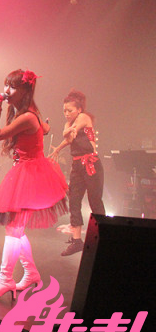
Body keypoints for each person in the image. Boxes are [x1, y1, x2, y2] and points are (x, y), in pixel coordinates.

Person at [0, 69, 68, 299]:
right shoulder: (29, 114)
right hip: (27, 173)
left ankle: (5, 279)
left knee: (14, 229)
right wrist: (46, 128)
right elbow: (43, 128)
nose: (6, 91)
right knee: (16, 229)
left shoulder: (27, 116)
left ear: (25, 90)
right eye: (6, 85)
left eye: (12, 87)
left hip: (30, 176)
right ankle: (30, 274)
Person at [49, 90, 105, 256]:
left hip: (90, 164)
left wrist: (68, 131)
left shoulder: (83, 117)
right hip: (77, 165)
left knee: (95, 200)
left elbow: (70, 132)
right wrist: (58, 149)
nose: (66, 113)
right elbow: (68, 137)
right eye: (64, 110)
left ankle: (103, 236)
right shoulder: (69, 122)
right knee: (73, 199)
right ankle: (76, 241)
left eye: (69, 110)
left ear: (79, 109)